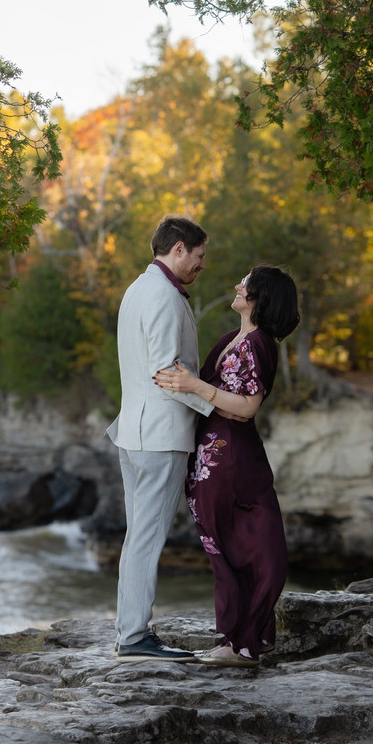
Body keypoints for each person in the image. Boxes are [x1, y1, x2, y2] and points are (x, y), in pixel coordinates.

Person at [153, 265, 300, 668]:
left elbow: (246, 408)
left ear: (260, 297)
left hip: (232, 458)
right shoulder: (233, 338)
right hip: (211, 458)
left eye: (246, 282)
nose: (237, 284)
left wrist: (194, 385)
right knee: (226, 549)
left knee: (257, 547)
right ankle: (239, 641)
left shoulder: (258, 343)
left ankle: (243, 642)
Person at [107, 214, 218, 661]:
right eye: (199, 256)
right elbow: (167, 373)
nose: (202, 265)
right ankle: (134, 637)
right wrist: (218, 407)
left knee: (138, 535)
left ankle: (128, 631)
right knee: (147, 538)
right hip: (160, 437)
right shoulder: (165, 297)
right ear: (178, 249)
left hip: (134, 433)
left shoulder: (137, 289)